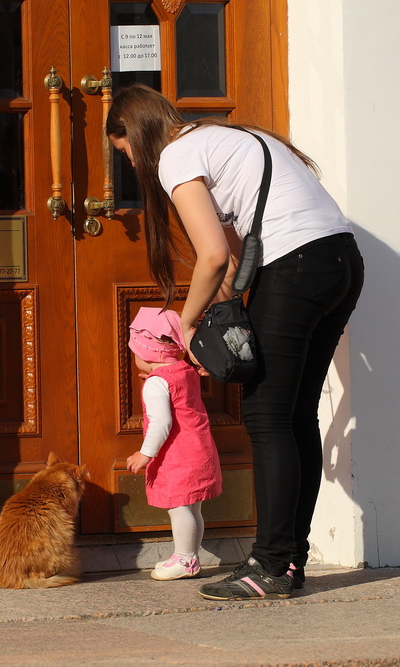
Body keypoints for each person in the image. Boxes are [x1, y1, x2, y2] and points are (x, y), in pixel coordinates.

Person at [106, 84, 364, 601]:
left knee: (268, 418)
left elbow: (212, 259)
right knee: (293, 416)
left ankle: (271, 566)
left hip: (294, 268)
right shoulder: (223, 137)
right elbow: (230, 261)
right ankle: (286, 561)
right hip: (341, 262)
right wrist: (210, 339)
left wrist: (183, 324)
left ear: (133, 135)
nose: (131, 162)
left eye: (125, 151)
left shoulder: (175, 155)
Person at [125, 307, 223, 581]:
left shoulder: (156, 384)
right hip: (198, 448)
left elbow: (161, 422)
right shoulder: (183, 371)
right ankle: (189, 554)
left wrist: (145, 453)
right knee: (192, 507)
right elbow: (176, 393)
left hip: (177, 456)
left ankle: (185, 559)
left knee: (179, 507)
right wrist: (158, 379)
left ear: (148, 353)